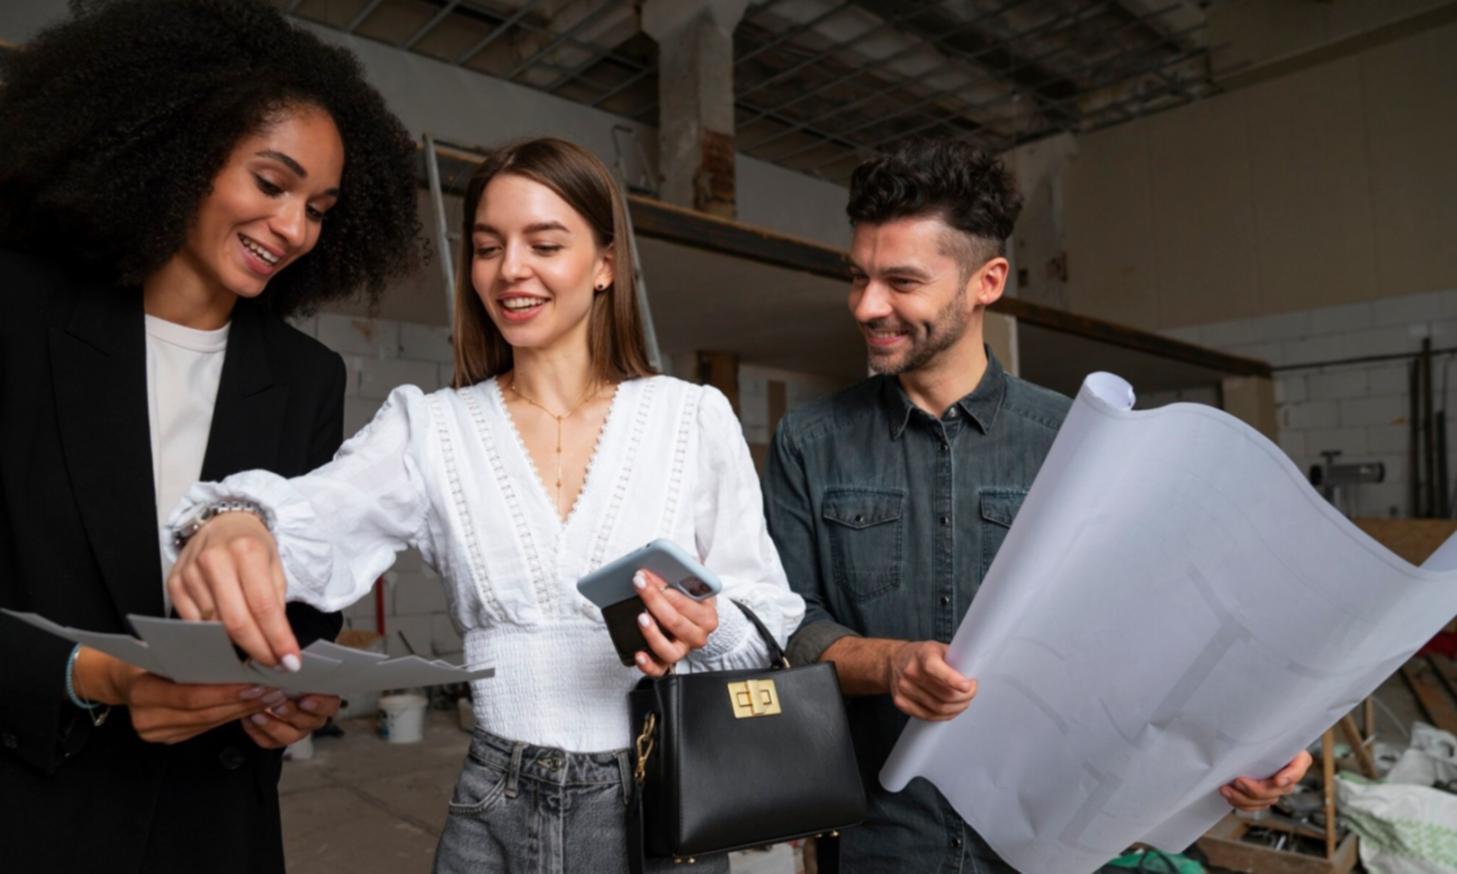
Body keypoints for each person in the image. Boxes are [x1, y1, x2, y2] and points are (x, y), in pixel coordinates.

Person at [161, 136, 805, 873]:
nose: (511, 270)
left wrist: (709, 627)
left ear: (603, 264)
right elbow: (315, 517)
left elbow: (768, 615)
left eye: (545, 243)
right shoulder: (431, 426)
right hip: (494, 807)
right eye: (488, 246)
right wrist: (239, 518)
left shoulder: (691, 417)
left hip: (658, 800)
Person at [762, 137, 1313, 873]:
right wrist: (889, 663)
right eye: (856, 277)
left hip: (1045, 841)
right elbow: (781, 627)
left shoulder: (1080, 441)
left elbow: (1151, 634)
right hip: (874, 841)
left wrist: (1238, 752)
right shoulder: (809, 440)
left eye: (900, 281)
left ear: (985, 281)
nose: (867, 305)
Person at [0, 1, 421, 871]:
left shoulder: (307, 378)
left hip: (216, 823)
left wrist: (294, 695)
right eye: (272, 184)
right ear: (184, 156)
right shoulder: (18, 316)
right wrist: (95, 678)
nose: (295, 229)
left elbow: (300, 601)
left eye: (320, 207)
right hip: (40, 810)